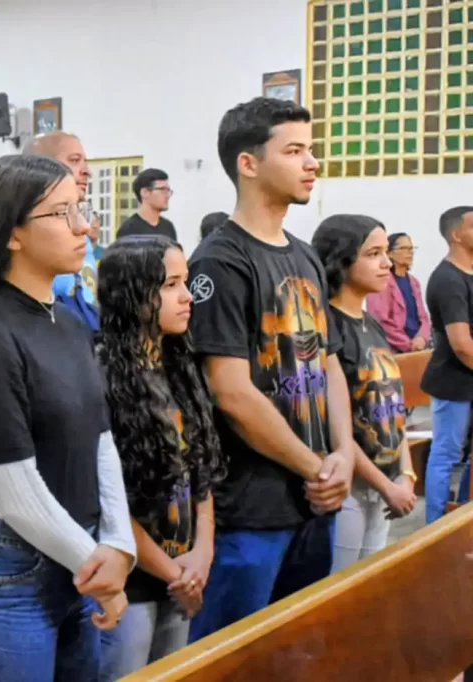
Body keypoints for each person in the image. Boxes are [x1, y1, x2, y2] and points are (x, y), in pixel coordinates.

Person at [0, 154, 136, 681]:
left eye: (81, 209)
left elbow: (100, 440)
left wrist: (119, 543)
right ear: (12, 233)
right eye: (63, 213)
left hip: (79, 554)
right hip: (12, 570)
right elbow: (12, 490)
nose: (84, 226)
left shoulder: (69, 323)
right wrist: (98, 567)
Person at [186, 97, 354, 642]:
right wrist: (316, 467)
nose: (312, 162)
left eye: (311, 149)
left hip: (314, 497)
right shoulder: (220, 261)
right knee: (234, 656)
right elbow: (231, 393)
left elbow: (328, 362)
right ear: (249, 163)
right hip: (252, 506)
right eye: (295, 150)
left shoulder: (304, 255)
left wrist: (344, 453)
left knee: (295, 650)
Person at [96, 236, 225, 678]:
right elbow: (108, 501)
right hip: (132, 578)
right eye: (171, 285)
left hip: (184, 566)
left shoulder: (178, 364)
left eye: (184, 282)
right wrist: (173, 573)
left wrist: (202, 552)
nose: (188, 296)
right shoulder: (102, 377)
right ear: (132, 293)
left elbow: (201, 467)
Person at [312, 215, 418, 572]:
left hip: (388, 480)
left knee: (371, 581)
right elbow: (333, 421)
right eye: (373, 254)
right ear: (340, 260)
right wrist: (386, 486)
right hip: (350, 485)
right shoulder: (327, 327)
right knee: (340, 586)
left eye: (386, 252)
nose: (387, 262)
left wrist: (405, 474)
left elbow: (394, 406)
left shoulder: (371, 323)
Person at [419, 206, 473, 524]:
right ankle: (435, 525)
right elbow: (462, 345)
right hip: (453, 380)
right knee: (447, 453)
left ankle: (464, 516)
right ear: (456, 235)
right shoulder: (448, 279)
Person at [23, 131, 100, 332]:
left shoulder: (80, 230)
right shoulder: (33, 232)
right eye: (74, 160)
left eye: (85, 161)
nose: (87, 171)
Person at [366, 232, 431, 353]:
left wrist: (422, 338)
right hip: (393, 350)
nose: (409, 252)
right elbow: (380, 320)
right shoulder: (380, 281)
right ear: (389, 253)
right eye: (404, 248)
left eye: (411, 248)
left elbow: (423, 317)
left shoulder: (414, 282)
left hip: (418, 348)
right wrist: (408, 345)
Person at [116, 169, 177, 241]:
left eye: (168, 190)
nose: (167, 195)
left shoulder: (168, 226)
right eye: (162, 190)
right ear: (145, 192)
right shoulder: (129, 229)